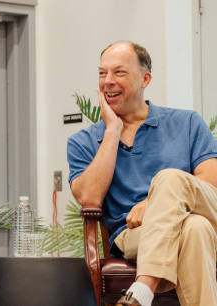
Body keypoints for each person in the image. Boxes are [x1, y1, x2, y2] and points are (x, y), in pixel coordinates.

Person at [67, 41, 217, 306]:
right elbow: (89, 198)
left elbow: (212, 181)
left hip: (199, 209)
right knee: (195, 228)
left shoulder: (187, 122)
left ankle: (142, 289)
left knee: (170, 180)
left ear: (145, 78)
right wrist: (112, 131)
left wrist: (157, 202)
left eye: (119, 72)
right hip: (135, 235)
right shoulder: (84, 141)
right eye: (102, 73)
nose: (108, 81)